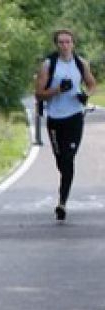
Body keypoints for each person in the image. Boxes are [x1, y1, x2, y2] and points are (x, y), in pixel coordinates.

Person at [35, 28, 96, 222]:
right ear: (56, 44)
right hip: (55, 119)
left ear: (73, 43)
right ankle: (64, 191)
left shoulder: (81, 63)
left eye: (68, 41)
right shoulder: (48, 65)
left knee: (69, 159)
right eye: (61, 42)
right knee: (61, 162)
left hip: (75, 117)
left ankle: (62, 203)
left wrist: (85, 95)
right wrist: (58, 90)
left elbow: (92, 84)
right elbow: (39, 93)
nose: (64, 45)